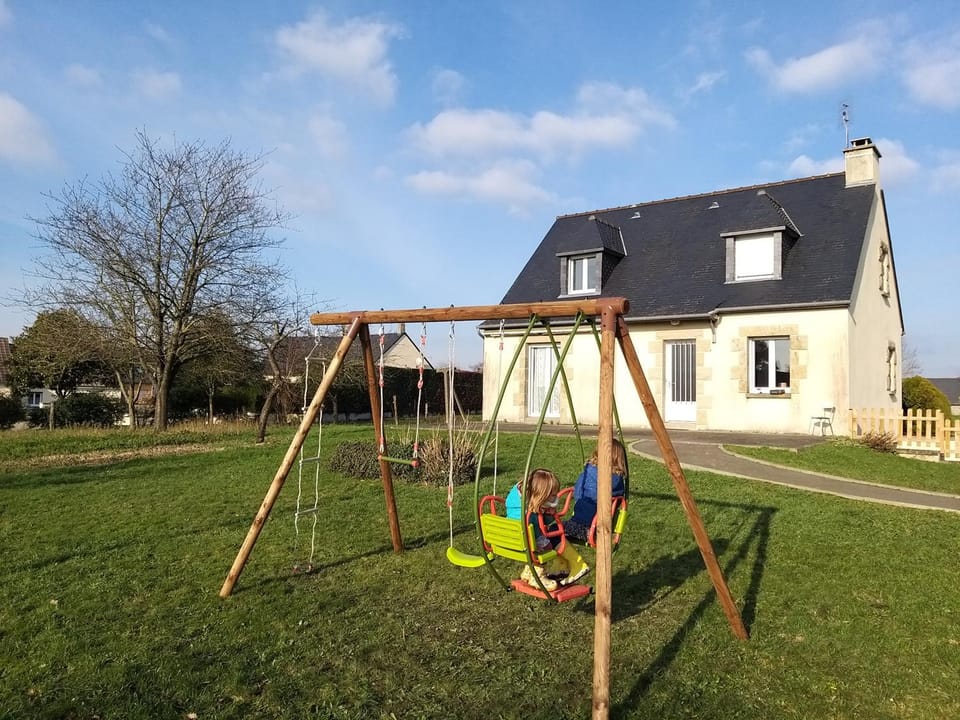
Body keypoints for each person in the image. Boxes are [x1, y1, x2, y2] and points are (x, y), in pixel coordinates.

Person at [505, 468, 591, 590]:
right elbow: (537, 529)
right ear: (541, 495)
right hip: (526, 540)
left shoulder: (516, 501)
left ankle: (532, 571)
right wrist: (549, 515)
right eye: (552, 495)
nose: (554, 498)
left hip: (509, 538)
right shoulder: (528, 514)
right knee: (547, 545)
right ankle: (537, 576)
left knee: (547, 538)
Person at [563, 439, 628, 543]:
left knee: (555, 529)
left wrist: (579, 499)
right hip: (603, 524)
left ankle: (574, 551)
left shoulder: (589, 471)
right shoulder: (618, 479)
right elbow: (619, 499)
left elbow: (578, 492)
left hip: (583, 523)